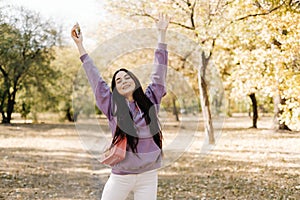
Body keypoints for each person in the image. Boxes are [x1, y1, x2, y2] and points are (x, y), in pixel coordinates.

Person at [71, 13, 170, 200]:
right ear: (115, 89)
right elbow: (95, 79)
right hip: (121, 176)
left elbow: (159, 70)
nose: (123, 81)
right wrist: (80, 46)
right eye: (118, 80)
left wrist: (161, 35)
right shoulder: (112, 106)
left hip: (148, 176)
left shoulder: (151, 99)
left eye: (127, 77)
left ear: (135, 81)